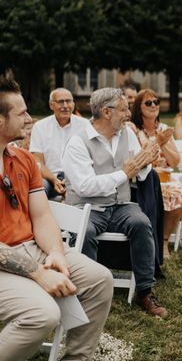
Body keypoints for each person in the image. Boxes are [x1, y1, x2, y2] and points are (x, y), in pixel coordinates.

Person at [0, 77, 113, 360]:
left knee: (99, 279)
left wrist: (56, 254)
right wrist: (38, 273)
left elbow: (42, 216)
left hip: (33, 248)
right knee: (42, 314)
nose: (30, 119)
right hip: (4, 262)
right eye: (21, 113)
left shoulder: (24, 159)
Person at [62, 87, 169, 318]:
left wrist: (146, 161)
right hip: (87, 207)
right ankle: (87, 294)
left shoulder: (127, 134)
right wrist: (124, 173)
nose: (128, 114)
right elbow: (85, 186)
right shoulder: (78, 142)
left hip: (121, 205)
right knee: (85, 231)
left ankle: (144, 291)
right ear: (106, 112)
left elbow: (138, 174)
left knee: (141, 223)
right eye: (123, 109)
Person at [131, 89, 182, 257]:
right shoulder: (134, 130)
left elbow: (175, 161)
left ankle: (164, 241)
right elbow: (139, 158)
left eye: (156, 102)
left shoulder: (163, 129)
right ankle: (149, 239)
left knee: (179, 195)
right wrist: (157, 143)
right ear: (138, 107)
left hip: (165, 177)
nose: (154, 105)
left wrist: (163, 143)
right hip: (144, 177)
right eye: (148, 103)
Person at [29, 88, 90, 199]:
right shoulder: (40, 127)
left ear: (73, 103)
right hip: (49, 178)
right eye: (61, 102)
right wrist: (53, 179)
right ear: (51, 105)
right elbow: (37, 161)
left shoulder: (85, 125)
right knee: (40, 186)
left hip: (78, 179)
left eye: (69, 101)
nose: (65, 105)